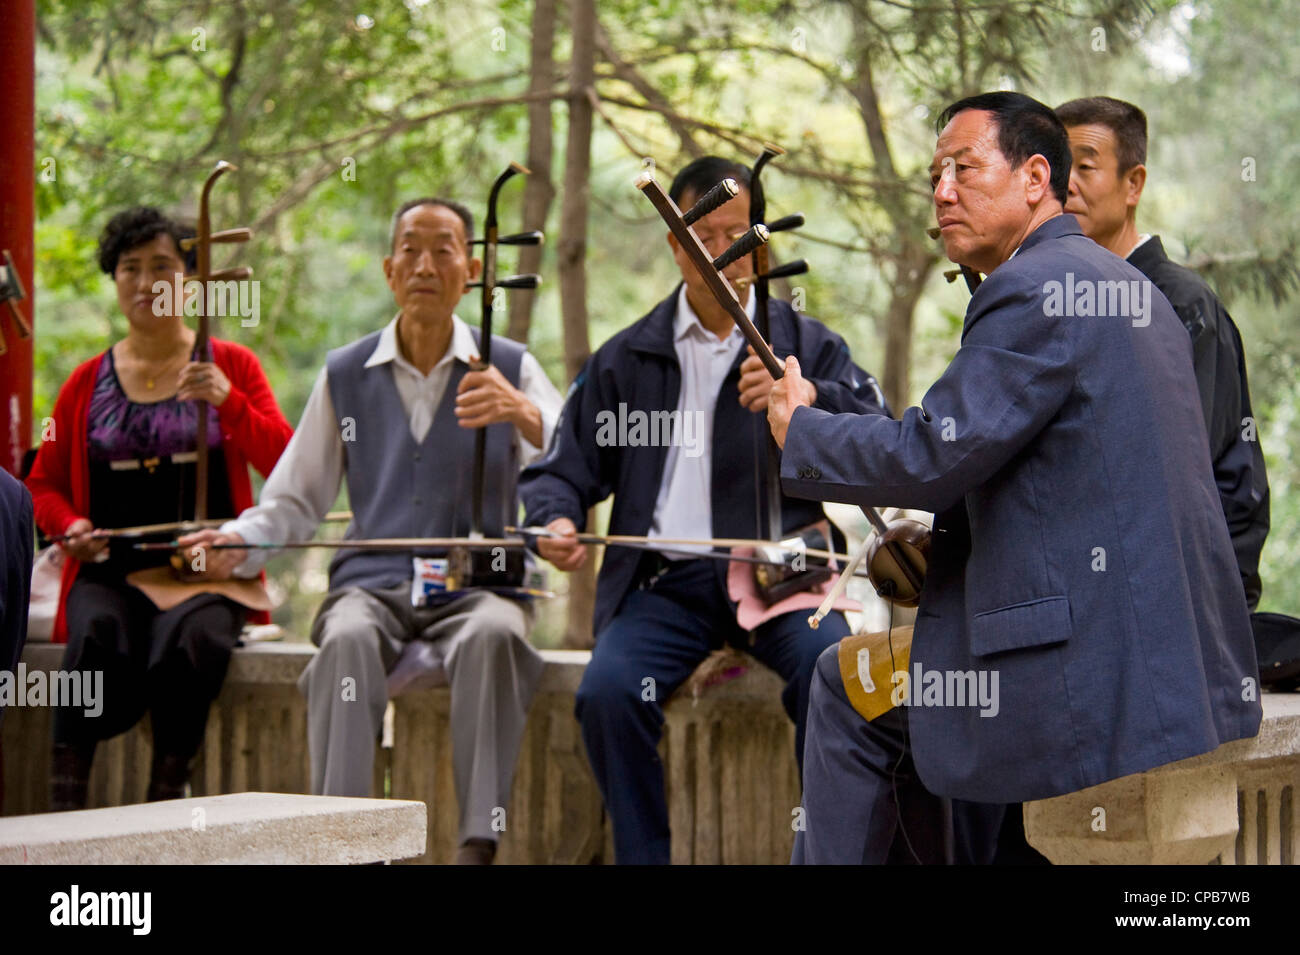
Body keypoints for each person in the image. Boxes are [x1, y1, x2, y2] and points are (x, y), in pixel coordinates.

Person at [765, 92, 1263, 864]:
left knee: (842, 682)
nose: (941, 190)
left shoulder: (1034, 288)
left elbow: (928, 455)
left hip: (1086, 674)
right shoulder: (1129, 287)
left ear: (1036, 177)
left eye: (964, 168)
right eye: (936, 174)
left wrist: (804, 428)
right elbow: (1059, 481)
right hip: (1172, 664)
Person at [519, 155, 890, 864]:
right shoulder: (627, 357)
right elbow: (560, 470)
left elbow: (878, 428)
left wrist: (808, 401)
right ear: (675, 242)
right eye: (704, 236)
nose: (723, 253)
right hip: (668, 585)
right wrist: (554, 522)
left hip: (787, 581)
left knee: (831, 678)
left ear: (762, 242)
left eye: (738, 235)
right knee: (608, 692)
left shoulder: (803, 346)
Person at [182, 197, 563, 865]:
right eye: (410, 250)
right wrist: (238, 544)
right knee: (348, 637)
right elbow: (295, 498)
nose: (425, 264)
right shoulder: (345, 373)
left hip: (478, 584)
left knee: (494, 634)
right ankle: (343, 841)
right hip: (374, 581)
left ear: (471, 269)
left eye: (443, 250)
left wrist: (523, 411)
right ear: (389, 270)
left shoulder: (509, 363)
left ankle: (479, 840)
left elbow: (571, 460)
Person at [25, 206, 293, 808]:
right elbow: (41, 484)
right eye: (130, 268)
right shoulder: (81, 383)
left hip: (207, 569)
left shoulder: (234, 365)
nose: (147, 283)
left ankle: (165, 808)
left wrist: (229, 403)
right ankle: (61, 811)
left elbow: (287, 464)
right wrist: (70, 527)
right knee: (93, 635)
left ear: (191, 278)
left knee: (193, 639)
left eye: (163, 267)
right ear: (114, 280)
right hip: (111, 569)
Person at [1056, 95, 1270, 610]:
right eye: (1058, 167)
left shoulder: (1179, 304)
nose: (1067, 184)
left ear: (1134, 184)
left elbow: (1180, 472)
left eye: (1086, 166)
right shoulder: (1065, 297)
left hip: (1181, 589)